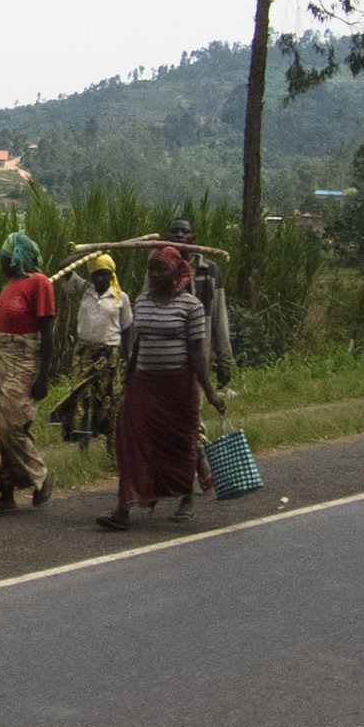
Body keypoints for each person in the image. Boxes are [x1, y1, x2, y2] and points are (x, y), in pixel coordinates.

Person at [96, 244, 226, 529]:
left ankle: (186, 500)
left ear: (176, 272)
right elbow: (138, 342)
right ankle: (124, 507)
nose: (154, 275)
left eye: (161, 269)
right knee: (131, 440)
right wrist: (129, 377)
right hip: (144, 384)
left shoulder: (191, 306)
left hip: (178, 387)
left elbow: (197, 354)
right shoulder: (142, 301)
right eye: (151, 269)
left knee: (181, 443)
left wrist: (210, 393)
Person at [0, 231, 55, 514]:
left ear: (16, 258)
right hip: (0, 365)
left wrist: (44, 376)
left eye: (4, 258)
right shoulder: (11, 286)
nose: (1, 263)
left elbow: (47, 333)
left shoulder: (39, 283)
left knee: (12, 426)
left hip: (22, 364)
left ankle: (41, 475)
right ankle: (6, 494)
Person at [166, 216, 235, 494]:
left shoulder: (209, 270)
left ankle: (198, 473)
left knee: (190, 415)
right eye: (174, 232)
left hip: (199, 355)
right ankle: (189, 474)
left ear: (193, 237)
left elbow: (219, 315)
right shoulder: (161, 266)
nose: (179, 236)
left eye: (185, 232)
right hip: (168, 354)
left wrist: (224, 358)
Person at [57, 253, 131, 454]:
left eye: (104, 274)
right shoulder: (84, 289)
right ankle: (83, 448)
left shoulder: (121, 297)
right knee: (82, 397)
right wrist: (88, 253)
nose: (99, 278)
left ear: (111, 275)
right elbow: (64, 266)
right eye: (96, 274)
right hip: (84, 353)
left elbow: (126, 330)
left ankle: (112, 447)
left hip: (109, 355)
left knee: (108, 400)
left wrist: (129, 357)